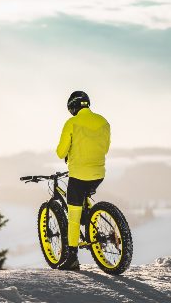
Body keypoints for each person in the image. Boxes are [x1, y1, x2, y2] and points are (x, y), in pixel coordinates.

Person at [55, 91, 111, 271]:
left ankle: (72, 257)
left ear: (72, 107)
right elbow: (105, 148)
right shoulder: (104, 121)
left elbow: (61, 152)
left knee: (73, 215)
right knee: (84, 198)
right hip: (98, 174)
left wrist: (70, 153)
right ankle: (90, 220)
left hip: (78, 176)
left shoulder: (71, 123)